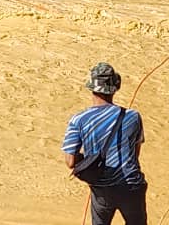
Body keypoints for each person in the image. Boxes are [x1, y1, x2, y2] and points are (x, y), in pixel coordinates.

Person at [62, 62, 147, 225]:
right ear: (115, 88)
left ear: (91, 88)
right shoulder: (133, 116)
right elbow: (135, 155)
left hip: (101, 188)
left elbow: (70, 161)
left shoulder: (78, 120)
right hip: (131, 186)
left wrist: (89, 161)